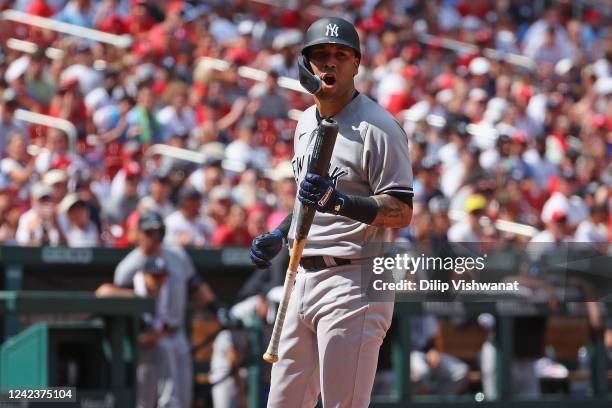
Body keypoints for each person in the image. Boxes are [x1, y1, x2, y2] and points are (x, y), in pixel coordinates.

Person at [249, 17, 413, 407]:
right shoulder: (305, 122)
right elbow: (309, 197)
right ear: (306, 64)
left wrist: (341, 203)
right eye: (320, 55)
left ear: (357, 63)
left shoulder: (378, 127)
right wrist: (281, 232)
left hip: (354, 278)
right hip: (300, 277)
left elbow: (401, 210)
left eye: (341, 55)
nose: (330, 63)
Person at [96, 211, 216, 408]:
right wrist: (139, 297)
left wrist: (216, 308)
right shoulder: (130, 265)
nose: (153, 237)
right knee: (147, 399)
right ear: (138, 233)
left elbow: (196, 285)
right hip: (147, 339)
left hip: (176, 333)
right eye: (148, 232)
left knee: (181, 398)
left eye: (157, 232)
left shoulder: (177, 255)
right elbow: (107, 295)